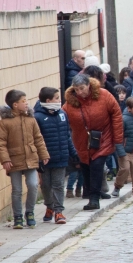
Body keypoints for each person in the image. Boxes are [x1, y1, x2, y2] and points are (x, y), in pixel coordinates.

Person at [63, 74, 123, 211]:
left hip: (103, 137)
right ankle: (93, 192)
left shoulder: (104, 95)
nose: (79, 92)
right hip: (82, 141)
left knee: (96, 165)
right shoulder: (70, 102)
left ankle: (94, 199)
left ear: (89, 86)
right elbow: (63, 119)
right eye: (76, 89)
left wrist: (117, 138)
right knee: (86, 167)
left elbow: (116, 114)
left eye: (82, 88)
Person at [0, 90, 50, 229]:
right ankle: (17, 216)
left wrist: (44, 154)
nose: (26, 103)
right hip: (14, 160)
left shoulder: (31, 120)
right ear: (15, 104)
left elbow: (38, 138)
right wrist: (5, 160)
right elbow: (0, 143)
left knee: (33, 185)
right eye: (23, 101)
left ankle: (29, 212)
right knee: (17, 189)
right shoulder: (5, 123)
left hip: (31, 158)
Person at [34, 87, 77, 224]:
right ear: (48, 100)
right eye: (57, 98)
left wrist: (73, 153)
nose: (60, 100)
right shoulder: (38, 117)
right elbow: (36, 139)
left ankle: (59, 211)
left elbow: (67, 136)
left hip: (61, 157)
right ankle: (49, 206)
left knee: (58, 184)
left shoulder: (62, 114)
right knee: (46, 185)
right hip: (45, 159)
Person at [112, 96, 133, 201]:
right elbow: (118, 137)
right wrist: (120, 151)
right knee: (125, 169)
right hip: (125, 150)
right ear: (129, 108)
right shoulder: (123, 119)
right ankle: (117, 186)